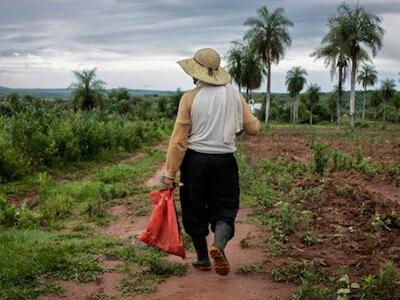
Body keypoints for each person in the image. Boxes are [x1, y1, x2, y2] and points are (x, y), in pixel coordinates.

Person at [162, 48, 260, 276]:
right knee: (225, 207)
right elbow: (253, 129)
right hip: (225, 162)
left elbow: (178, 140)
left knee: (194, 208)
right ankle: (220, 245)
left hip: (195, 162)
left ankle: (203, 258)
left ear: (195, 73)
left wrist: (170, 174)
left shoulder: (189, 98)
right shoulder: (235, 95)